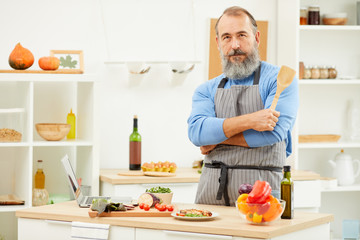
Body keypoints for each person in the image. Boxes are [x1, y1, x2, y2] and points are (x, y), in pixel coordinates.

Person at [187, 6, 299, 206]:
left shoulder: (278, 79)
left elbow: (273, 133)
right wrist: (251, 120)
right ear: (218, 43)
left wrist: (218, 141)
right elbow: (197, 134)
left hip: (262, 196)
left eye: (241, 35)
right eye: (227, 37)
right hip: (211, 195)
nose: (235, 45)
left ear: (256, 38)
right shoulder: (206, 89)